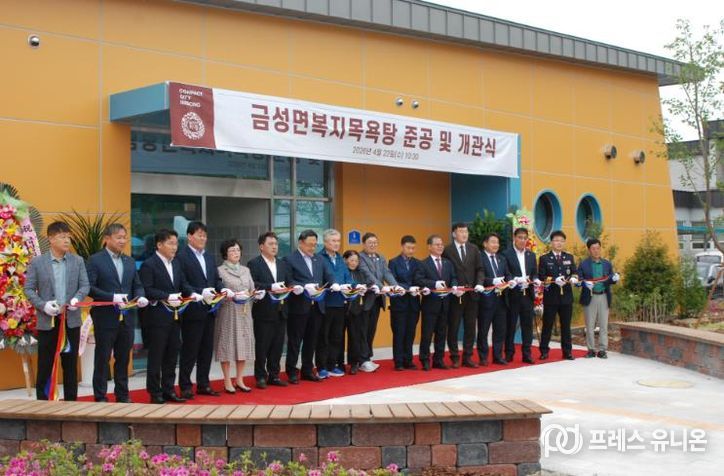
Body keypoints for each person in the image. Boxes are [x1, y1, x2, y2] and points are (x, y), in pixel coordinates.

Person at [24, 221, 90, 401]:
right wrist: (43, 305)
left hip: (71, 320)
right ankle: (43, 403)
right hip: (48, 321)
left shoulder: (77, 261)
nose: (67, 240)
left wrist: (77, 299)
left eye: (68, 237)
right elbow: (28, 289)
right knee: (45, 364)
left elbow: (85, 285)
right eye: (62, 237)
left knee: (70, 365)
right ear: (51, 239)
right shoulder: (38, 262)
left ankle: (71, 403)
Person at [86, 223, 149, 403]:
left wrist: (140, 296)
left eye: (124, 237)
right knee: (103, 357)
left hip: (127, 317)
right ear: (107, 239)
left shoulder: (129, 261)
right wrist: (111, 297)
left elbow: (137, 284)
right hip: (105, 317)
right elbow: (89, 287)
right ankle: (100, 395)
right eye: (118, 237)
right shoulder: (95, 260)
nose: (122, 241)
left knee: (123, 358)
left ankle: (122, 394)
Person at [138, 229, 191, 404]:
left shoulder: (176, 263)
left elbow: (183, 284)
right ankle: (155, 392)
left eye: (176, 244)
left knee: (172, 354)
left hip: (174, 317)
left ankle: (169, 389)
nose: (174, 247)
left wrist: (193, 294)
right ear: (159, 245)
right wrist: (167, 296)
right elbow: (147, 289)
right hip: (157, 318)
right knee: (156, 356)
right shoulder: (149, 265)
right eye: (170, 243)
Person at [176, 221, 224, 399]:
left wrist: (222, 289)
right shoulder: (181, 256)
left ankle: (203, 383)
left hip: (210, 309)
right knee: (190, 349)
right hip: (192, 310)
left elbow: (216, 279)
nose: (203, 238)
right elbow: (182, 282)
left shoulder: (209, 257)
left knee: (206, 349)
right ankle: (185, 386)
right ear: (189, 236)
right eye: (199, 235)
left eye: (205, 235)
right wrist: (199, 292)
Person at [284, 229, 336, 383]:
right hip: (299, 306)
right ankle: (292, 371)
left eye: (314, 245)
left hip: (317, 305)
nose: (312, 248)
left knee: (311, 340)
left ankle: (307, 369)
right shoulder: (289, 259)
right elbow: (288, 280)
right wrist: (304, 286)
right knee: (295, 340)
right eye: (309, 245)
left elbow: (328, 275)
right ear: (300, 242)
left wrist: (335, 284)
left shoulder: (319, 259)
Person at [215, 239, 261, 393]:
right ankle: (227, 380)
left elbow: (252, 288)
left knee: (243, 345)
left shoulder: (246, 270)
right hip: (228, 312)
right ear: (225, 254)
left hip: (244, 312)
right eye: (232, 250)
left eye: (238, 250)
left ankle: (239, 379)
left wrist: (255, 294)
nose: (236, 253)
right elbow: (218, 293)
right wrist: (230, 295)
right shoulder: (220, 271)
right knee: (226, 345)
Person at [248, 232, 289, 389]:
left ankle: (274, 375)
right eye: (270, 244)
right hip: (263, 311)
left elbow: (289, 281)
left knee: (277, 345)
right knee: (262, 345)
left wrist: (293, 287)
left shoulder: (282, 263)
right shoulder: (254, 263)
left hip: (281, 309)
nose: (274, 247)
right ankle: (260, 376)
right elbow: (253, 284)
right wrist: (270, 287)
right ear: (261, 246)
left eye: (276, 244)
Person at [414, 234, 460, 371]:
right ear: (429, 247)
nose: (440, 246)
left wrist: (455, 285)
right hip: (430, 305)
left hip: (445, 303)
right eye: (437, 244)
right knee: (427, 334)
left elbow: (453, 277)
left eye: (441, 244)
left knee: (441, 334)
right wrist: (434, 284)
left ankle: (438, 360)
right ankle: (425, 359)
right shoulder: (423, 264)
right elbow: (418, 280)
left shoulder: (448, 263)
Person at [442, 223, 485, 368]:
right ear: (454, 234)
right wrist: (452, 287)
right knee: (453, 327)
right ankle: (454, 357)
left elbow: (480, 269)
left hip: (472, 294)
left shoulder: (474, 249)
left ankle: (468, 357)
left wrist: (479, 283)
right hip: (456, 295)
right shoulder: (447, 250)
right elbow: (445, 271)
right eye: (461, 231)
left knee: (470, 327)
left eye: (466, 231)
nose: (464, 234)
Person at [358, 232, 399, 372]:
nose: (373, 245)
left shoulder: (380, 257)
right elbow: (368, 276)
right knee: (363, 329)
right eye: (370, 243)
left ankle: (368, 357)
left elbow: (387, 273)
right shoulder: (360, 257)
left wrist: (395, 286)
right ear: (364, 244)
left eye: (375, 242)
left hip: (377, 299)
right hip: (365, 299)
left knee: (371, 329)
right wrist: (383, 288)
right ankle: (362, 359)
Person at [538, 230, 579, 361]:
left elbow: (574, 272)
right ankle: (544, 351)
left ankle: (567, 352)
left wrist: (574, 278)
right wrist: (554, 279)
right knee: (547, 325)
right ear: (551, 242)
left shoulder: (569, 257)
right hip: (551, 297)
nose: (559, 243)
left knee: (566, 326)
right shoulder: (544, 258)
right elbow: (541, 276)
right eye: (556, 240)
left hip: (566, 297)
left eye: (561, 241)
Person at [316, 229, 352, 378]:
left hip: (340, 302)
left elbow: (348, 276)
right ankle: (321, 367)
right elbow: (319, 278)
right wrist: (333, 284)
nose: (337, 243)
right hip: (325, 303)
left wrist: (351, 285)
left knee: (336, 337)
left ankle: (332, 365)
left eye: (338, 241)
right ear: (325, 242)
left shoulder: (340, 259)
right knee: (323, 337)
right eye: (333, 241)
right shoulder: (319, 258)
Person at [501, 227, 539, 364]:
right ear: (514, 238)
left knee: (527, 326)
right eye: (520, 237)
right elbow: (506, 272)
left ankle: (527, 354)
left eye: (525, 238)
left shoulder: (531, 255)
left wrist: (535, 279)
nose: (522, 240)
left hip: (527, 294)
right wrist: (515, 280)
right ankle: (509, 353)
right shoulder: (506, 254)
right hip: (513, 294)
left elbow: (534, 272)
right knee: (510, 325)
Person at [577, 238, 619, 359]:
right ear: (589, 250)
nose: (596, 251)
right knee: (589, 325)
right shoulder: (584, 264)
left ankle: (602, 350)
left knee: (603, 324)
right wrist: (585, 283)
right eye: (593, 248)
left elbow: (610, 278)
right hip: (590, 296)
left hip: (604, 296)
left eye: (598, 248)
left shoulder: (607, 264)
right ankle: (591, 349)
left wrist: (614, 279)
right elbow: (578, 280)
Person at [479, 232, 516, 365]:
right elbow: (478, 277)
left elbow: (508, 274)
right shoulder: (479, 258)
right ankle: (483, 357)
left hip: (501, 299)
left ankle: (498, 356)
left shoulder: (501, 258)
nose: (496, 245)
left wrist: (510, 280)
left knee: (500, 329)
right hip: (486, 300)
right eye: (493, 242)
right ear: (485, 244)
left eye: (497, 243)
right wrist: (492, 281)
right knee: (483, 330)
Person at [388, 235, 422, 370]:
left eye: (413, 248)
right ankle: (398, 361)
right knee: (399, 333)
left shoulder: (417, 263)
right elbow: (393, 281)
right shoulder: (393, 262)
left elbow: (419, 279)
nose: (411, 251)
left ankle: (408, 360)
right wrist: (408, 288)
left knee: (410, 333)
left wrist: (419, 287)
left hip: (413, 303)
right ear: (402, 247)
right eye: (408, 248)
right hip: (399, 303)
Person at [343, 250, 369, 375]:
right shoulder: (342, 272)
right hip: (342, 308)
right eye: (351, 260)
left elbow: (368, 284)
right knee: (338, 337)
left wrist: (365, 288)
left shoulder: (361, 273)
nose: (354, 263)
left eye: (356, 261)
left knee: (355, 337)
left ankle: (354, 363)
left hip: (356, 309)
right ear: (345, 260)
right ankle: (337, 363)